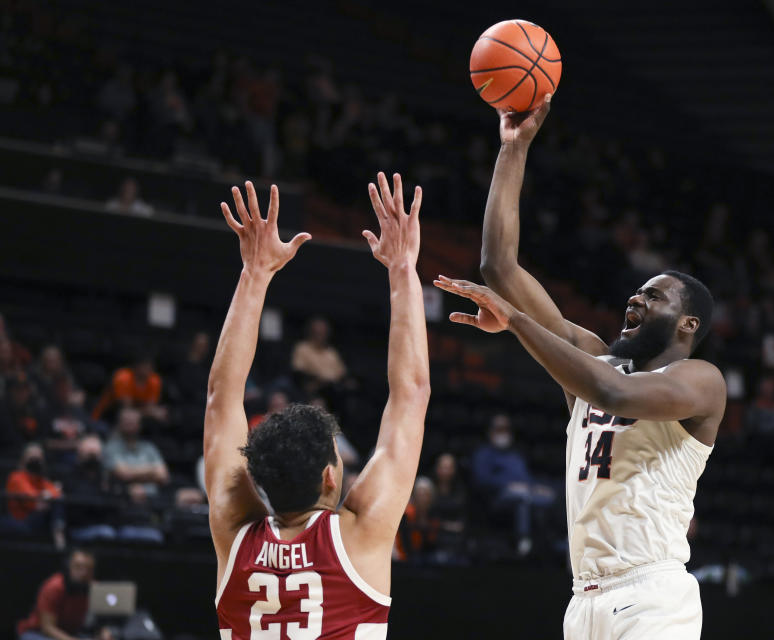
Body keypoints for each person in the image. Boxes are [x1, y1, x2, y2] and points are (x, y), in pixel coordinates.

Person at [435, 94, 726, 640]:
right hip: (583, 601)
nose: (634, 300)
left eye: (654, 297)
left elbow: (611, 393)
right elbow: (499, 266)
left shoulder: (700, 382)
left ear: (688, 325)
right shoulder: (598, 358)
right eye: (636, 292)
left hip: (652, 598)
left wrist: (520, 323)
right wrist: (513, 150)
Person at [207, 176, 429, 638]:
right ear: (331, 475)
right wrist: (402, 267)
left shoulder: (234, 532)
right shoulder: (360, 532)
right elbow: (409, 392)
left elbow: (220, 399)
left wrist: (255, 273)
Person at [471, 413, 555, 556]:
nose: (503, 433)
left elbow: (526, 479)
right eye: (499, 429)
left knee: (550, 497)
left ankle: (553, 542)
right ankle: (523, 540)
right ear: (490, 431)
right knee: (521, 498)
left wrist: (537, 487)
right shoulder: (484, 454)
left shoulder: (516, 456)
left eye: (506, 429)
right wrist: (509, 485)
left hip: (525, 493)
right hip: (497, 498)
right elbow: (482, 479)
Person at [17, 547, 95, 640]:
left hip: (71, 634)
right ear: (68, 567)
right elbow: (47, 628)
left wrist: (103, 631)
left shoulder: (94, 588)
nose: (83, 573)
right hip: (37, 633)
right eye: (78, 567)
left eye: (88, 569)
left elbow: (99, 621)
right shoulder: (54, 587)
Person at [2, 443, 65, 546]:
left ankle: (58, 532)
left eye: (38, 458)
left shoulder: (40, 480)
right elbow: (31, 497)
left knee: (58, 502)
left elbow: (57, 493)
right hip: (19, 520)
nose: (35, 461)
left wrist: (46, 495)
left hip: (37, 519)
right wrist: (46, 496)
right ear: (23, 460)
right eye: (32, 457)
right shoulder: (16, 477)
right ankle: (58, 534)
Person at [102, 407, 169, 498]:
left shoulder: (148, 447)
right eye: (127, 421)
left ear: (139, 425)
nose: (130, 424)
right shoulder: (111, 447)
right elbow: (124, 474)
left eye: (133, 421)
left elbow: (163, 475)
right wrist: (152, 471)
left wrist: (132, 472)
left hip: (152, 497)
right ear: (119, 424)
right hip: (122, 498)